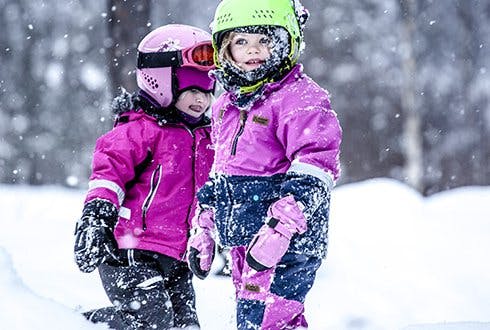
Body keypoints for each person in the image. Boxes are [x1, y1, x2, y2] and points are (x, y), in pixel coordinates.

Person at [186, 0, 342, 329]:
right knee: (252, 317)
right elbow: (223, 174)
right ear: (225, 48)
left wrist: (280, 229)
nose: (253, 50)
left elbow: (315, 167)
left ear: (286, 43)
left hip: (288, 240)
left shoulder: (299, 98)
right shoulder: (226, 104)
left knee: (269, 320)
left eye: (264, 40)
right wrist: (206, 227)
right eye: (241, 41)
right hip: (245, 238)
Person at [73, 24, 215, 330]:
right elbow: (107, 177)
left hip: (176, 257)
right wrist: (96, 218)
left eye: (207, 90)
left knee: (186, 326)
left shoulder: (206, 137)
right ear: (161, 82)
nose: (201, 99)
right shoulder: (138, 130)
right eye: (192, 89)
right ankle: (78, 324)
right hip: (130, 251)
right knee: (152, 323)